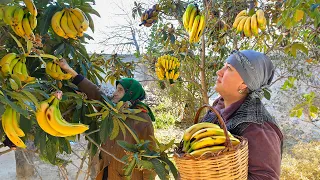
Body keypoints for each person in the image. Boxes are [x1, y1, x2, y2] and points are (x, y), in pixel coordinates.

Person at [58, 59, 156, 180]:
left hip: (127, 175)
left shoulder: (142, 117)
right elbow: (96, 93)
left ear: (130, 93)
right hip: (106, 171)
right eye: (116, 89)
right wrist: (68, 69)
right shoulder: (112, 110)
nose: (115, 93)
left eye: (120, 90)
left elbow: (150, 153)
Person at [200, 50, 283, 179]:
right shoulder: (217, 107)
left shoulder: (258, 129)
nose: (219, 72)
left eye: (229, 68)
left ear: (244, 84)